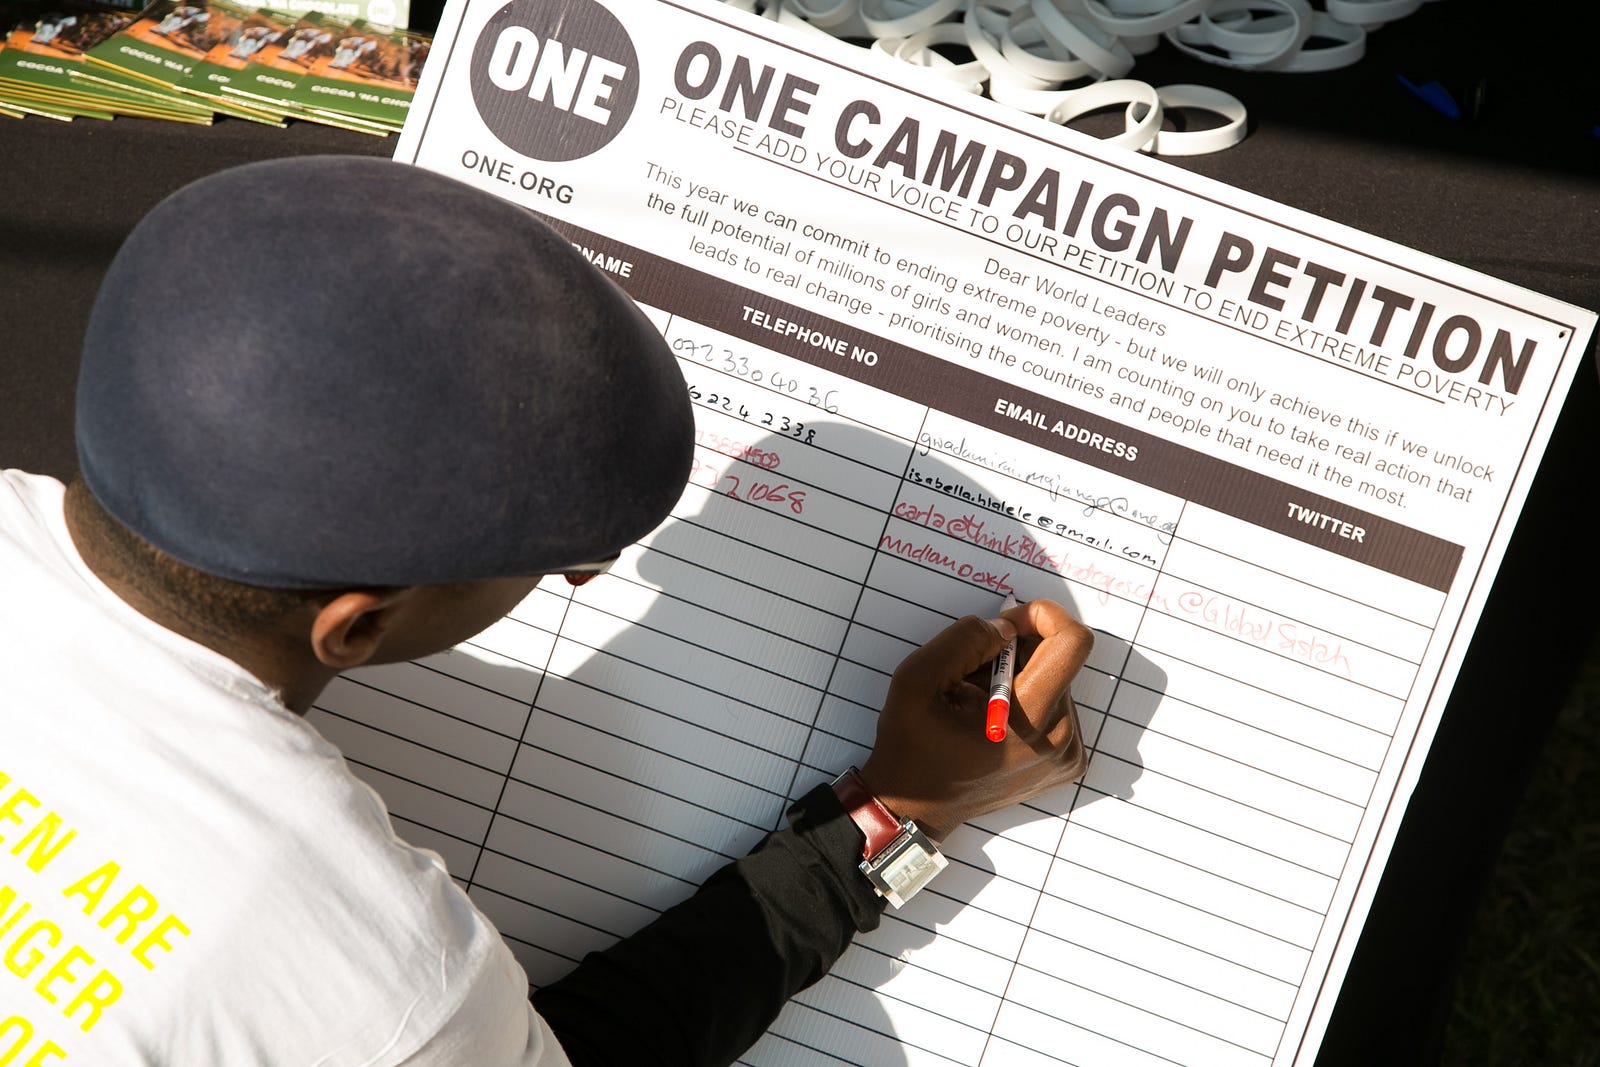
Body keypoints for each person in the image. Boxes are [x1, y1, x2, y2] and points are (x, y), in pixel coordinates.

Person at [0, 155, 1093, 1065]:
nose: (585, 579)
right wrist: (895, 813)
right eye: (560, 558)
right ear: (359, 625)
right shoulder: (382, 983)